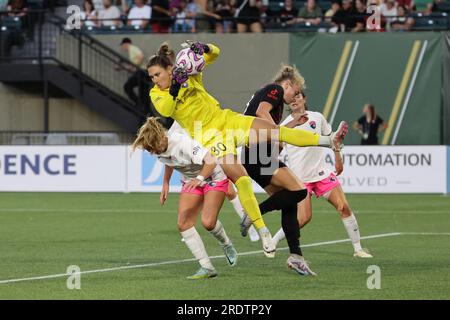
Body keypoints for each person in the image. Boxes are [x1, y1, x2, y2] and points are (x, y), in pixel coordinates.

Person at [146, 41, 348, 258]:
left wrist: (202, 48)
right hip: (211, 138)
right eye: (152, 77)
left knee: (275, 131)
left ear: (169, 69)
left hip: (228, 120)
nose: (154, 80)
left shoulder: (190, 73)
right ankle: (263, 232)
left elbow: (215, 53)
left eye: (157, 74)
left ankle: (329, 141)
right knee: (241, 180)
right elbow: (166, 109)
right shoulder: (156, 94)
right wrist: (176, 85)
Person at [239, 65, 323, 275]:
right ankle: (255, 212)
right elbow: (261, 113)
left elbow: (266, 127)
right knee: (300, 191)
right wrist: (281, 134)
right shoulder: (274, 89)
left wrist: (292, 125)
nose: (294, 98)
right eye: (295, 92)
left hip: (255, 156)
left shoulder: (271, 97)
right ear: (289, 84)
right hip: (259, 154)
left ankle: (296, 257)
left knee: (290, 203)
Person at [132, 117, 238, 279]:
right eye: (150, 150)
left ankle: (226, 244)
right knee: (183, 223)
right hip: (191, 181)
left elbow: (210, 161)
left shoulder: (181, 142)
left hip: (213, 177)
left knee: (208, 223)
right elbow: (170, 161)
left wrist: (200, 179)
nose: (153, 152)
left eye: (153, 148)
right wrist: (165, 183)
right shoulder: (158, 148)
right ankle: (206, 267)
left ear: (161, 138)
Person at [273, 92, 372, 258]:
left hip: (322, 174)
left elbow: (333, 139)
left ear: (304, 99)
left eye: (298, 96)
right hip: (300, 178)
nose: (295, 99)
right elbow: (276, 149)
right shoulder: (286, 125)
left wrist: (338, 157)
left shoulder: (317, 117)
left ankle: (358, 249)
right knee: (303, 218)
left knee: (344, 207)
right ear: (288, 103)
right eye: (292, 98)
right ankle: (273, 242)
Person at [169, 120, 260, 242]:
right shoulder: (177, 125)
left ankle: (251, 228)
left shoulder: (201, 116)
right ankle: (190, 229)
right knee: (198, 195)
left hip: (213, 154)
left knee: (230, 191)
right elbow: (171, 151)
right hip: (197, 165)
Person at [120, 37, 150, 112]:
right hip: (143, 72)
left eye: (123, 45)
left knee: (127, 87)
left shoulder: (132, 48)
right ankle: (145, 109)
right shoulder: (132, 49)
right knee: (143, 93)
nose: (123, 47)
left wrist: (135, 66)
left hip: (141, 72)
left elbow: (141, 56)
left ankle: (139, 104)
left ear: (126, 43)